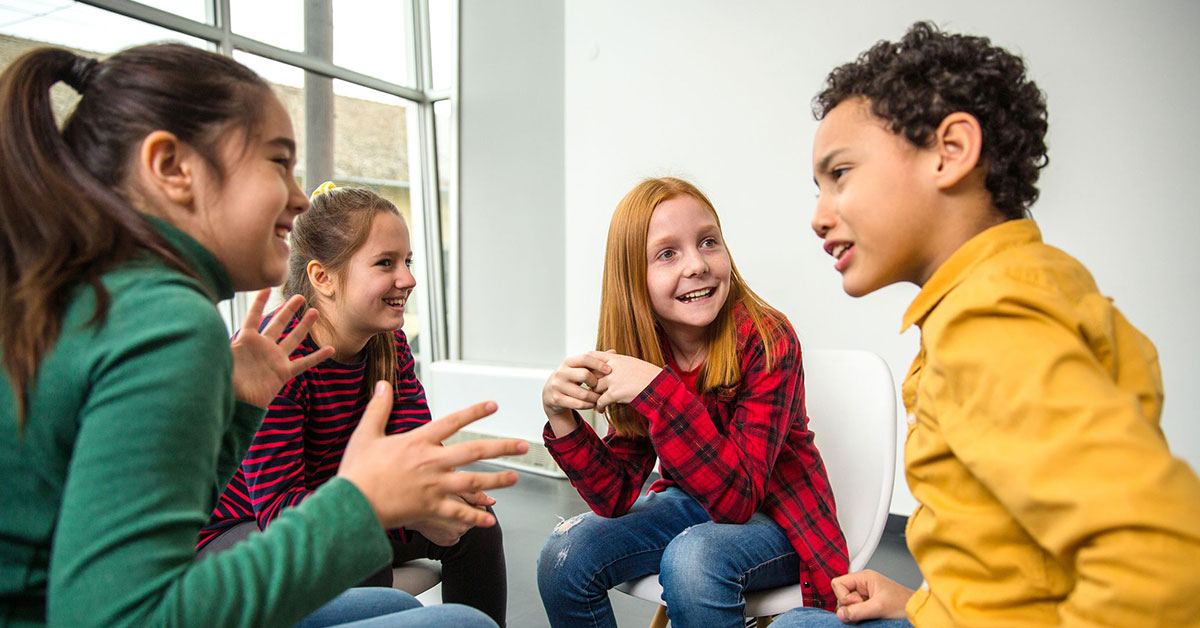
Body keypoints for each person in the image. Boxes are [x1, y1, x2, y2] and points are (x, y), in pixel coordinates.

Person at [0, 43, 526, 628]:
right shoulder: (164, 319)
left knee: (397, 603)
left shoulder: (95, 295)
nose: (301, 198)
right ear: (172, 168)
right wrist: (360, 505)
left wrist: (240, 411)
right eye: (278, 163)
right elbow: (122, 610)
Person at [773, 21, 1200, 628]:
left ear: (950, 153)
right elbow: (1015, 549)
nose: (818, 216)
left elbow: (1154, 559)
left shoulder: (989, 321)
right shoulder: (1024, 283)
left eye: (839, 174)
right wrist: (919, 601)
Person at [536, 177, 848, 628]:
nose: (698, 265)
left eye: (708, 242)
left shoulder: (767, 338)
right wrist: (562, 418)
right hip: (693, 503)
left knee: (693, 560)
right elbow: (615, 493)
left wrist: (658, 392)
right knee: (565, 555)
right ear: (632, 279)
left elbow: (738, 501)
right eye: (668, 254)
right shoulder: (641, 348)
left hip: (780, 518)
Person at [199, 183, 507, 626]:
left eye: (407, 262)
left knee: (476, 525)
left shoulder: (390, 345)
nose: (408, 279)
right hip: (243, 531)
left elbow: (416, 454)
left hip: (345, 506)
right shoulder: (280, 356)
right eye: (386, 263)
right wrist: (405, 511)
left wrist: (437, 500)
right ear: (323, 278)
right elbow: (279, 510)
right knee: (360, 547)